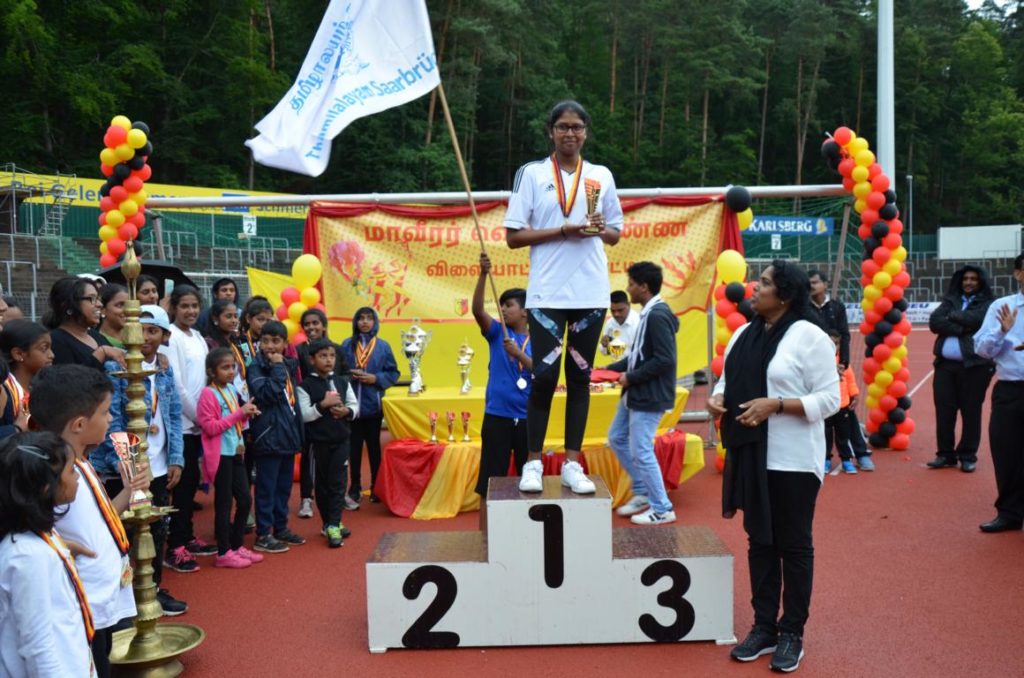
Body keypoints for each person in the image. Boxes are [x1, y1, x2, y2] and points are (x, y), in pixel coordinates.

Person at [707, 261, 839, 673]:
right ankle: (764, 626)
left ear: (784, 295)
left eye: (763, 283)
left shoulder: (810, 337)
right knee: (760, 542)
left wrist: (776, 405)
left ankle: (792, 632)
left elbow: (831, 399)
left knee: (793, 545)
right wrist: (718, 398)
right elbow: (726, 382)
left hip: (793, 460)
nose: (754, 287)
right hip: (751, 455)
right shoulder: (743, 335)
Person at [505, 99, 624, 494]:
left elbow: (614, 233)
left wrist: (598, 227)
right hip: (547, 294)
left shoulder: (601, 176)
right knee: (543, 377)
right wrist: (563, 231)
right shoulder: (532, 173)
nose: (570, 133)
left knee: (579, 378)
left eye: (576, 127)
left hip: (590, 293)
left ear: (585, 132)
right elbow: (513, 237)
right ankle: (533, 462)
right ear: (551, 131)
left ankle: (573, 463)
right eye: (563, 127)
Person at [31, 364, 150, 677]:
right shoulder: (55, 476)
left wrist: (130, 490)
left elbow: (101, 518)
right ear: (80, 424)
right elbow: (35, 536)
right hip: (82, 601)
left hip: (102, 594)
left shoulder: (80, 461)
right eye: (106, 412)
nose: (110, 419)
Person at [94, 305, 188, 612]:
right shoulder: (116, 368)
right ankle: (123, 597)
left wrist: (176, 457)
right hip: (128, 468)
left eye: (152, 331)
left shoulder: (164, 368)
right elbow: (114, 421)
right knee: (125, 531)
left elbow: (173, 414)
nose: (145, 337)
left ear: (165, 336)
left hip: (158, 463)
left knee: (156, 529)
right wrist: (129, 465)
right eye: (140, 330)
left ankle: (153, 588)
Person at [0, 431, 95, 677]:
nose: (77, 477)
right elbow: (38, 645)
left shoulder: (39, 539)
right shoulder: (27, 556)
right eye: (71, 471)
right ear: (45, 488)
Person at [606, 262, 678, 524]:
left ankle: (662, 508)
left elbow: (665, 360)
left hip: (648, 395)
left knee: (641, 451)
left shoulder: (656, 316)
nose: (628, 289)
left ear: (644, 287)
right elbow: (637, 357)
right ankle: (643, 491)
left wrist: (630, 377)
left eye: (631, 284)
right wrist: (606, 370)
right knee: (616, 437)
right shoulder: (649, 314)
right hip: (635, 393)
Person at [163, 285, 216, 574]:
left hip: (198, 424)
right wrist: (198, 416)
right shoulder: (170, 338)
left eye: (195, 305)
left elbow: (205, 379)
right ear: (174, 308)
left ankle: (186, 536)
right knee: (181, 487)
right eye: (184, 306)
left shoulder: (197, 337)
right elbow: (177, 385)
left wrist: (205, 415)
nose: (190, 311)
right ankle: (175, 547)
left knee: (192, 482)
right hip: (182, 424)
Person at [471, 253, 532, 498]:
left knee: (529, 481)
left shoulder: (539, 339)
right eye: (502, 305)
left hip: (528, 419)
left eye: (509, 305)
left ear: (525, 311)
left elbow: (542, 371)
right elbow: (477, 310)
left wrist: (518, 354)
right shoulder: (497, 332)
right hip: (497, 415)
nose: (503, 309)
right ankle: (486, 523)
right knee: (489, 481)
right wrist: (483, 274)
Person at [972, 253, 1024, 533]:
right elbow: (981, 350)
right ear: (1017, 274)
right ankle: (1010, 513)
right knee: (1007, 453)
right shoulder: (1002, 307)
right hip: (1010, 391)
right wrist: (1002, 332)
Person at [197, 347, 262, 568]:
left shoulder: (232, 389)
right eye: (225, 367)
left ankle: (236, 545)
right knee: (224, 504)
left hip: (235, 452)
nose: (231, 371)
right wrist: (239, 414)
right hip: (220, 455)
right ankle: (224, 552)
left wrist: (247, 415)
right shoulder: (208, 394)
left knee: (245, 500)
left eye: (233, 366)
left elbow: (236, 420)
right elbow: (210, 427)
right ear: (211, 371)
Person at [927, 265, 995, 473]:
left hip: (975, 366)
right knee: (944, 411)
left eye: (973, 279)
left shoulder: (988, 303)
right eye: (965, 279)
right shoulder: (951, 300)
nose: (968, 282)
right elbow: (934, 322)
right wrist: (961, 326)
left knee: (971, 411)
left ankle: (967, 455)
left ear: (980, 281)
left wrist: (952, 318)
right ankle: (945, 454)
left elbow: (977, 320)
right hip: (945, 366)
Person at [247, 320, 306, 553]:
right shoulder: (256, 367)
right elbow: (267, 394)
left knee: (283, 488)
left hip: (287, 434)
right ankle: (263, 534)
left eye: (276, 341)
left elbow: (292, 402)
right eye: (265, 341)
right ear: (259, 343)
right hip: (268, 436)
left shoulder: (288, 366)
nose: (270, 346)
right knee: (266, 488)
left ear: (285, 344)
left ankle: (280, 528)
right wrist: (278, 368)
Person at [807, 269, 873, 471]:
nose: (811, 286)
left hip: (837, 365)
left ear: (825, 284)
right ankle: (822, 457)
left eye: (815, 282)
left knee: (846, 412)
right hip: (814, 367)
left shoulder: (837, 307)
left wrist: (843, 362)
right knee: (820, 415)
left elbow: (844, 334)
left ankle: (860, 453)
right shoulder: (804, 308)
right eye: (808, 283)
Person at [297, 338, 359, 547]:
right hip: (318, 444)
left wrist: (347, 411)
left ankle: (333, 523)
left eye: (332, 356)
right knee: (323, 485)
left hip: (341, 440)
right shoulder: (305, 386)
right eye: (323, 356)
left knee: (339, 483)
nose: (328, 360)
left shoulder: (343, 382)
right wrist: (323, 404)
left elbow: (354, 406)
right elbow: (305, 415)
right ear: (312, 360)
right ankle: (329, 523)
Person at [340, 307, 399, 507]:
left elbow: (393, 373)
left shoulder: (383, 347)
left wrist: (376, 378)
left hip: (373, 407)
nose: (365, 322)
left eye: (369, 318)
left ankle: (377, 486)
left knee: (374, 449)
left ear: (375, 322)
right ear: (355, 322)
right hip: (352, 408)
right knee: (354, 450)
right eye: (361, 318)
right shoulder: (346, 345)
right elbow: (338, 372)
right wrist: (350, 376)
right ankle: (355, 486)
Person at [45, 276, 125, 370]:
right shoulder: (55, 341)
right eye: (92, 299)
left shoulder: (97, 337)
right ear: (68, 304)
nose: (100, 304)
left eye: (98, 299)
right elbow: (68, 377)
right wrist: (100, 354)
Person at [296, 307, 330, 519]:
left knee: (333, 456)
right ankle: (306, 498)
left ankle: (333, 496)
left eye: (315, 323)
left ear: (323, 326)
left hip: (332, 410)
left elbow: (343, 376)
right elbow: (295, 378)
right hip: (308, 409)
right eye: (307, 324)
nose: (311, 327)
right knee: (308, 455)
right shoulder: (298, 351)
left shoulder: (334, 348)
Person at [0, 320, 52, 439]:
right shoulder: (5, 392)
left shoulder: (41, 387)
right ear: (18, 354)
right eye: (44, 348)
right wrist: (16, 428)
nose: (51, 355)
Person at [824, 329, 860, 475]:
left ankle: (846, 460)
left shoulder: (843, 362)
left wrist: (855, 395)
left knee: (843, 435)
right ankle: (825, 459)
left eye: (837, 343)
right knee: (825, 435)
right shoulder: (819, 361)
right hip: (826, 406)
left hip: (842, 405)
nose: (834, 346)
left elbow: (850, 380)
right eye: (831, 343)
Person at [599, 290, 639, 358]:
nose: (616, 314)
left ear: (629, 305)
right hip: (617, 363)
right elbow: (605, 352)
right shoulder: (609, 324)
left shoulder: (638, 323)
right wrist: (604, 346)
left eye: (620, 310)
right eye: (613, 311)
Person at [97, 284, 129, 349]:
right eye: (119, 305)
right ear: (102, 310)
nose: (127, 310)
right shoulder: (96, 343)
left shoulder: (136, 339)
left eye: (129, 305)